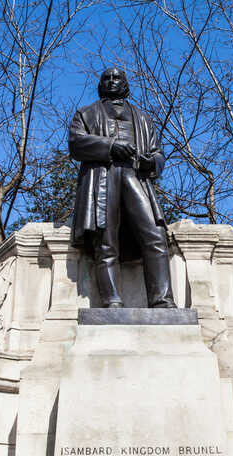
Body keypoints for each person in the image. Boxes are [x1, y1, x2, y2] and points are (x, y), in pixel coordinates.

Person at [68, 67, 176, 308]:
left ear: (125, 83)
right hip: (102, 179)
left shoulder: (143, 118)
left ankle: (162, 300)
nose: (111, 81)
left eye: (117, 78)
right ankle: (112, 301)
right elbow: (76, 143)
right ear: (100, 83)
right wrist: (110, 146)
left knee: (155, 234)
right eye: (106, 77)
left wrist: (153, 162)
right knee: (105, 241)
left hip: (135, 175)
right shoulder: (85, 114)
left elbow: (157, 152)